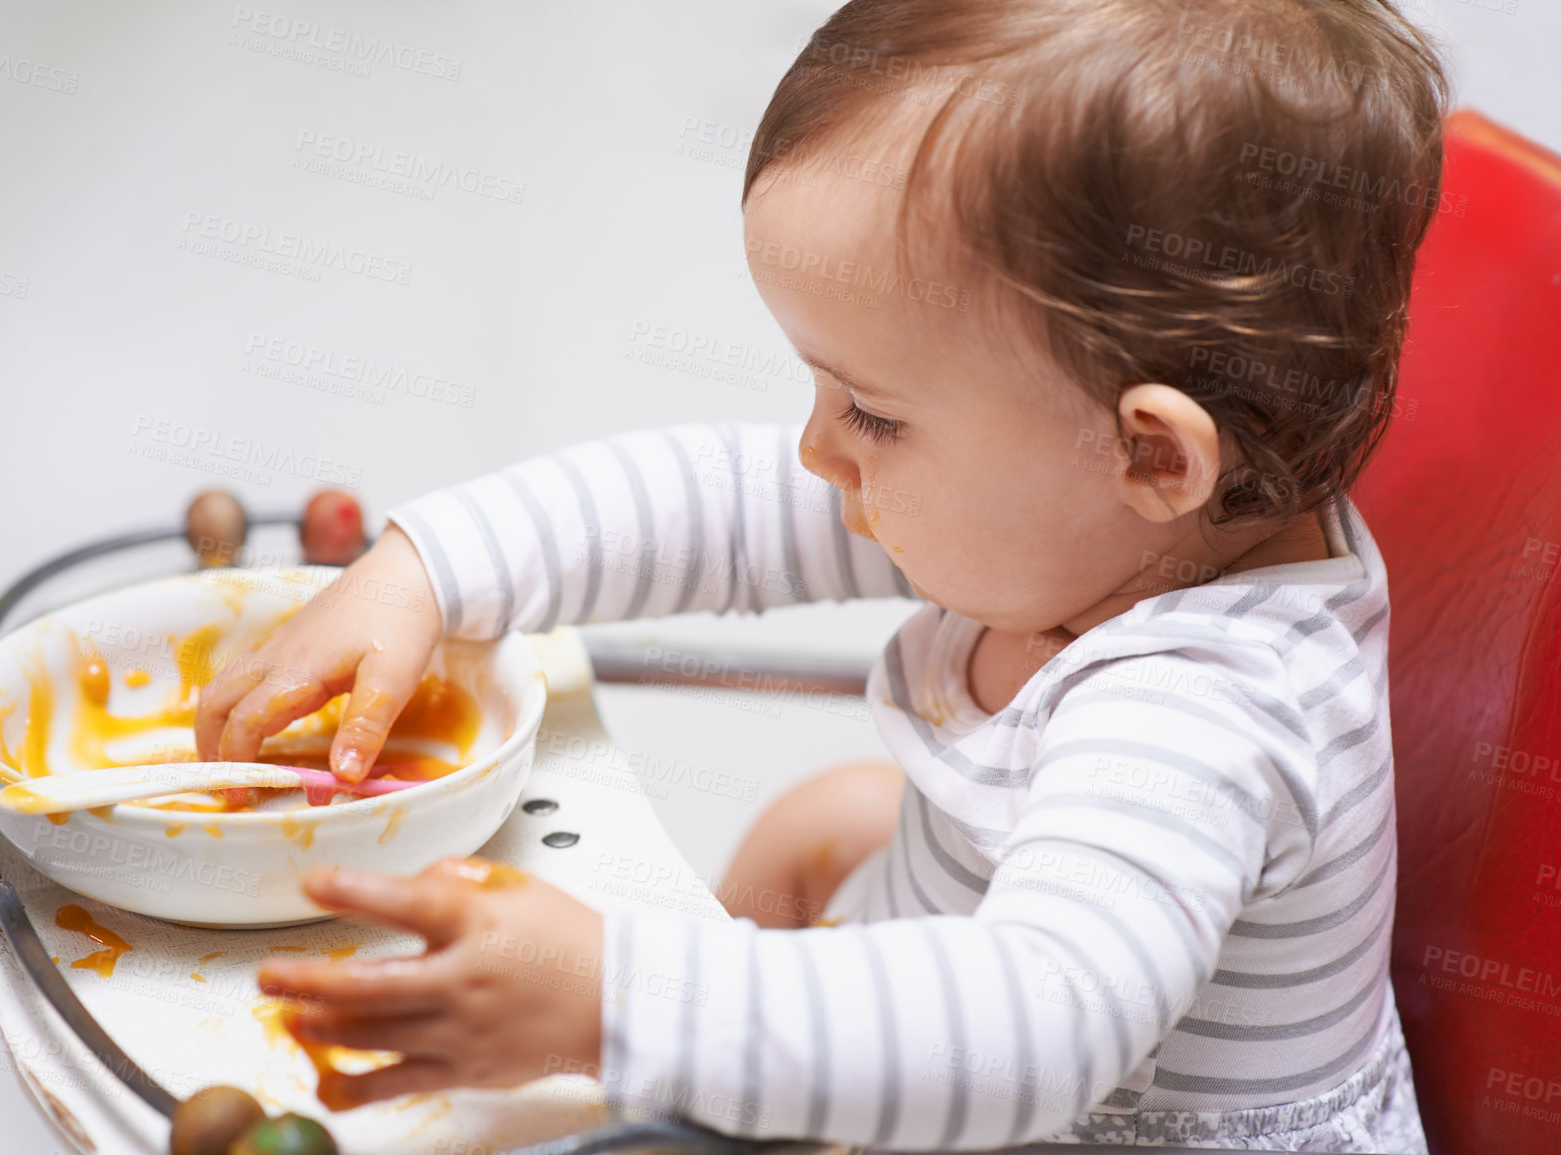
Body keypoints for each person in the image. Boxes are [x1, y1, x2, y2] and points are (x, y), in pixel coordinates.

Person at [195, 0, 1448, 1148]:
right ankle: (736, 1099)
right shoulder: (1097, 516)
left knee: (819, 865)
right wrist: (431, 568)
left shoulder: (1202, 711)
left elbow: (1030, 1034)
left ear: (1154, 452)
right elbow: (721, 504)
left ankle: (707, 1070)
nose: (817, 451)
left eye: (873, 413)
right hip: (996, 990)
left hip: (1062, 1102)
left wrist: (612, 997)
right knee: (831, 818)